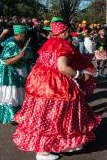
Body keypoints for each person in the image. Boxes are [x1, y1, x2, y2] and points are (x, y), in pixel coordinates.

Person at [12, 22, 101, 160]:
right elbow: (62, 67)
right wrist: (80, 75)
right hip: (56, 84)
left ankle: (61, 145)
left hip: (40, 82)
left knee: (44, 116)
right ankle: (44, 151)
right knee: (59, 115)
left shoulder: (49, 42)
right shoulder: (62, 44)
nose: (69, 34)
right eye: (68, 31)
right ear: (64, 32)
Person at [0, 25, 31, 124]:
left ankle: (17, 114)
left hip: (16, 70)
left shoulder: (17, 41)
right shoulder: (11, 44)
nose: (26, 36)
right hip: (8, 72)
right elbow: (7, 62)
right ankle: (12, 116)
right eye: (25, 34)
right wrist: (20, 56)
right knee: (10, 95)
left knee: (16, 94)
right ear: (20, 34)